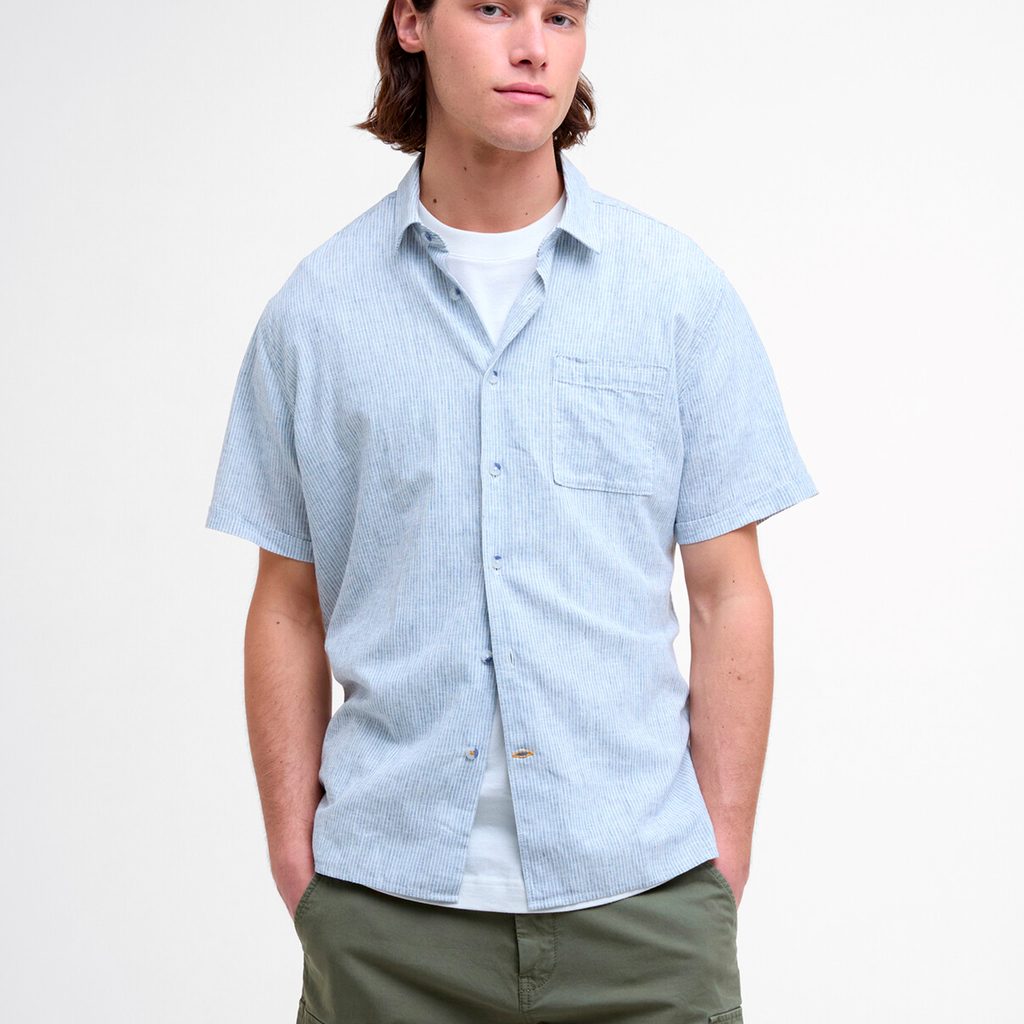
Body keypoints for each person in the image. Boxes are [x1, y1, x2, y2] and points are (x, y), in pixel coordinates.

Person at [204, 1, 818, 1020]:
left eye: (561, 16)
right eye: (493, 8)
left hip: (645, 909)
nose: (533, 46)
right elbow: (287, 604)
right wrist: (297, 867)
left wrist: (719, 866)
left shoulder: (675, 295)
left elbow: (726, 593)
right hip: (387, 919)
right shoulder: (316, 314)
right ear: (411, 22)